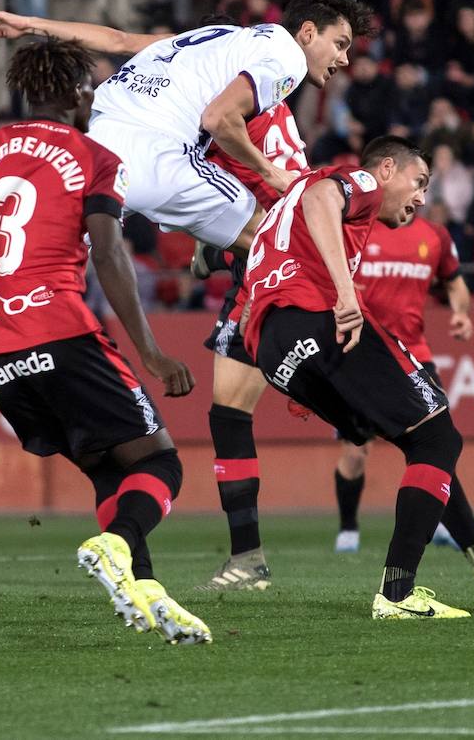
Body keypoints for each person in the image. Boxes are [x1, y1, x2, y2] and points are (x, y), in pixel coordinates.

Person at [0, 39, 208, 644]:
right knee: (160, 462)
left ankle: (146, 593)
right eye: (88, 90)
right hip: (63, 335)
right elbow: (110, 250)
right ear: (74, 93)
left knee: (112, 474)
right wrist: (149, 351)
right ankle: (119, 548)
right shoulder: (94, 155)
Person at [243, 136, 474, 619]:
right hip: (319, 318)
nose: (420, 197)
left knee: (414, 443)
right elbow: (322, 197)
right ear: (389, 169)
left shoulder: (290, 200)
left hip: (274, 351)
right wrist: (346, 293)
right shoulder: (362, 182)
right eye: (418, 183)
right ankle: (398, 593)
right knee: (437, 437)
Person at [0, 0, 374, 256]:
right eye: (339, 44)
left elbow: (119, 41)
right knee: (277, 240)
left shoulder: (218, 37)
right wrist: (273, 174)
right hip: (159, 154)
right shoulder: (287, 58)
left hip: (96, 137)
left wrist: (30, 25)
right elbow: (218, 119)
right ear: (306, 33)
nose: (343, 59)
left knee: (48, 247)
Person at [193, 95, 310, 591]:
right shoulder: (273, 105)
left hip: (276, 265)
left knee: (377, 414)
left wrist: (209, 251)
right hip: (287, 252)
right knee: (229, 415)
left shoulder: (220, 120)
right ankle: (247, 560)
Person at [334, 210, 473, 553]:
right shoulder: (357, 229)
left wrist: (460, 312)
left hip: (415, 356)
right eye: (416, 182)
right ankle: (348, 527)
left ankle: (440, 522)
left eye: (424, 185)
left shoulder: (435, 236)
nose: (418, 194)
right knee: (356, 451)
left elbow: (456, 283)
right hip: (363, 354)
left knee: (437, 443)